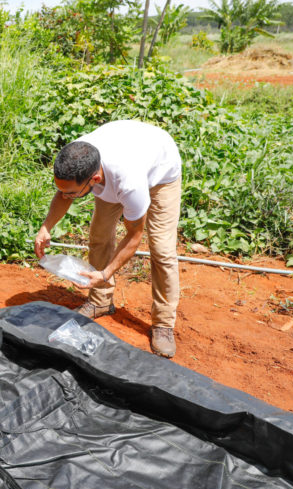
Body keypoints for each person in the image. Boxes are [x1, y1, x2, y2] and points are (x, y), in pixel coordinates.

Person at [34, 120, 182, 358]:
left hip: (160, 172)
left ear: (93, 179)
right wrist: (46, 227)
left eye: (71, 193)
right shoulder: (76, 158)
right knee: (99, 236)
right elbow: (64, 195)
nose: (65, 196)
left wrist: (105, 273)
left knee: (162, 250)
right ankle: (101, 300)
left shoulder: (130, 183)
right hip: (121, 162)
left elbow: (134, 236)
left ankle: (163, 323)